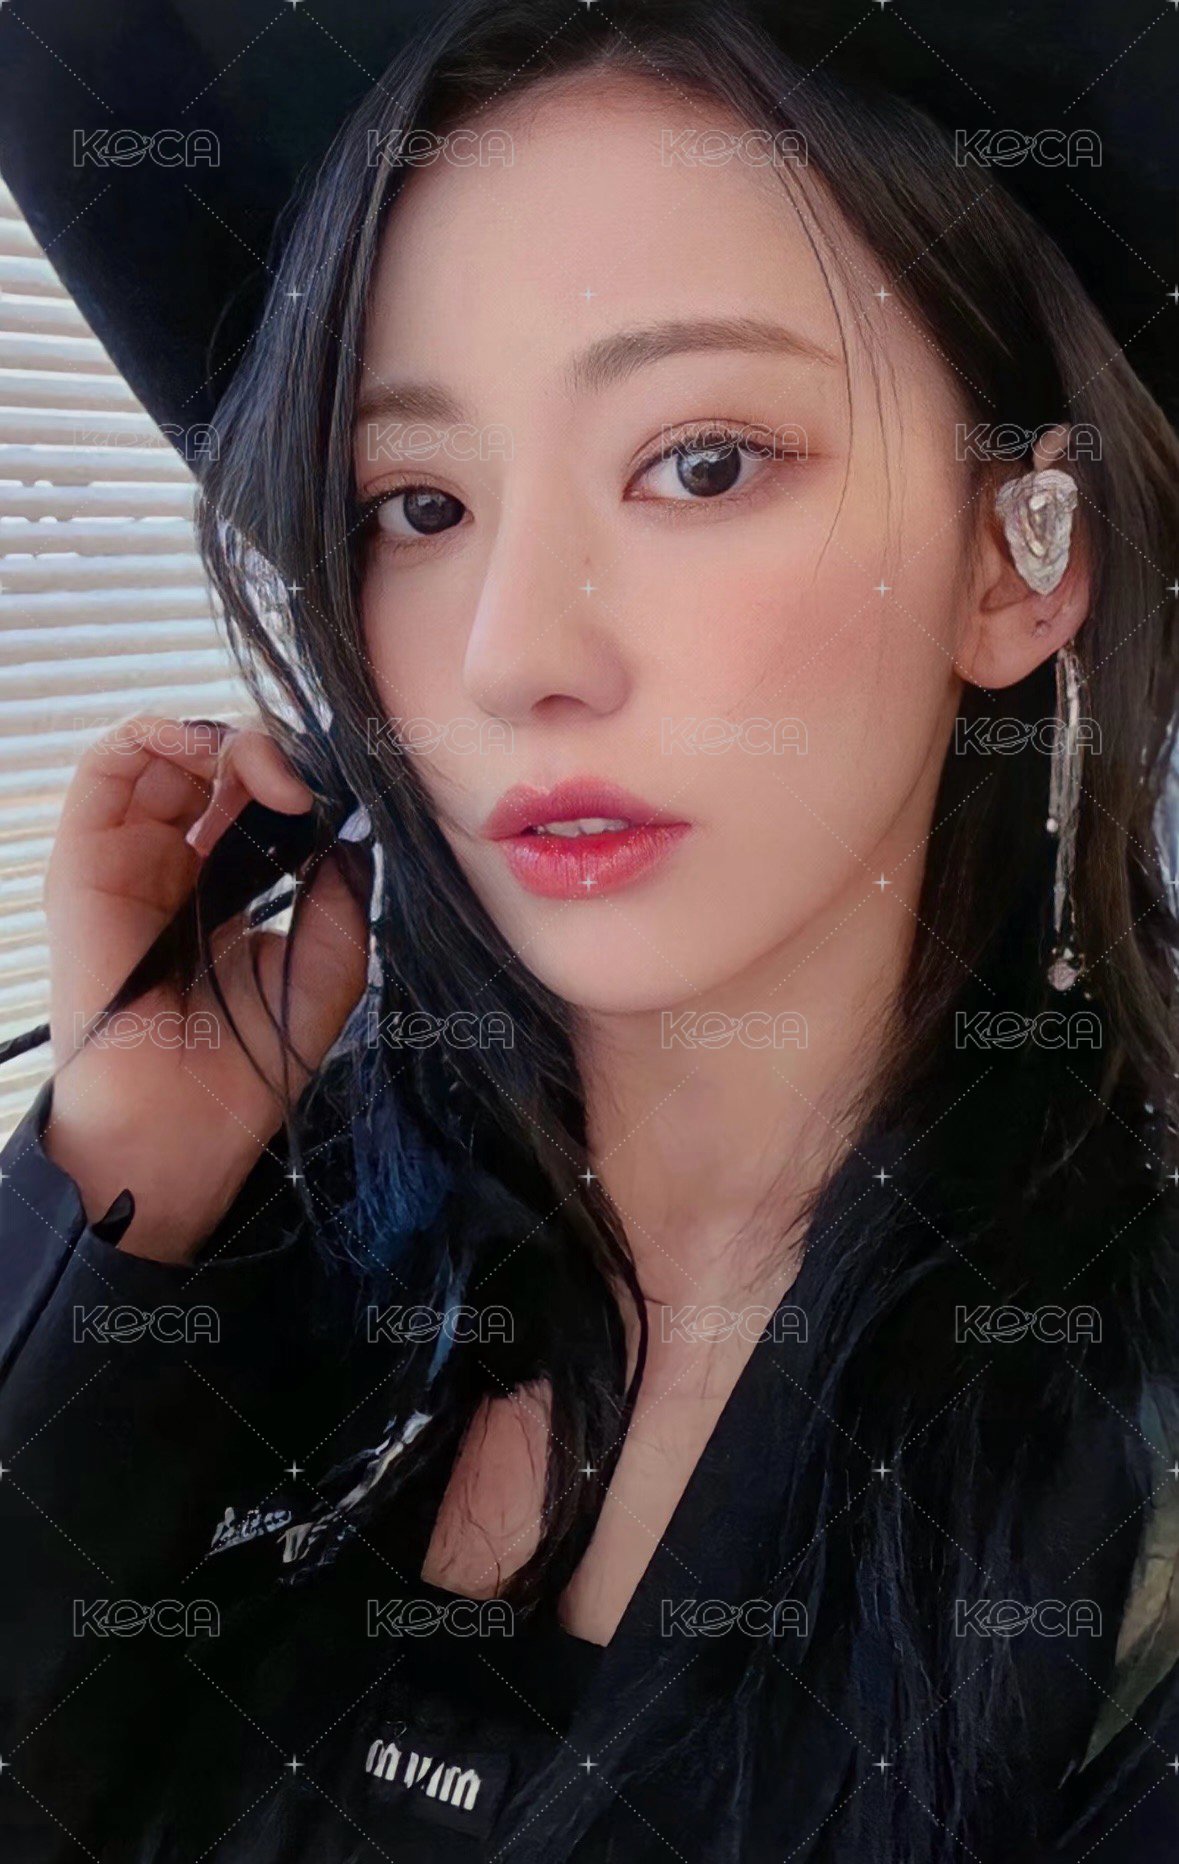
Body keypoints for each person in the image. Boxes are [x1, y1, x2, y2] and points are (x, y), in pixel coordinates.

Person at [1, 0, 1178, 1857]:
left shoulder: (1126, 1486)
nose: (512, 654)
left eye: (700, 463)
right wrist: (131, 1182)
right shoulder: (273, 1239)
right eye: (419, 504)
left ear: (1022, 553)